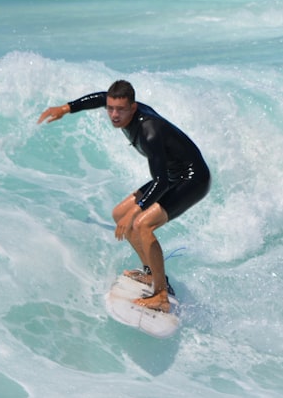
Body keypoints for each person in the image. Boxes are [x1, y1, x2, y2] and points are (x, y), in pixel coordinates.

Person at [37, 80, 211, 312]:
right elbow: (100, 97)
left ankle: (161, 295)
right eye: (110, 109)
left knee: (142, 224)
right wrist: (66, 108)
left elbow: (160, 183)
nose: (114, 115)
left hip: (192, 179)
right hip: (172, 175)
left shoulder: (149, 132)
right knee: (120, 213)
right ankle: (151, 274)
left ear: (133, 107)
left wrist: (136, 211)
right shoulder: (119, 108)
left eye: (120, 109)